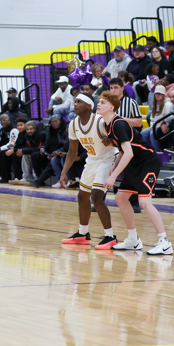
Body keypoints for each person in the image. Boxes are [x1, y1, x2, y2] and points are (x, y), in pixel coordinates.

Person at [97, 91, 173, 255]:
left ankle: (164, 242)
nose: (98, 104)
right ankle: (133, 239)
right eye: (99, 101)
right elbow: (123, 150)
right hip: (134, 163)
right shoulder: (107, 125)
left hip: (147, 162)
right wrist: (114, 166)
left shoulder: (118, 124)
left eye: (102, 102)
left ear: (111, 107)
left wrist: (114, 176)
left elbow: (129, 152)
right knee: (120, 198)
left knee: (144, 202)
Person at [58, 94, 119, 248]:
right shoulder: (73, 124)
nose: (75, 104)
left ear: (89, 106)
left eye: (79, 102)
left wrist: (112, 140)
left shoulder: (100, 121)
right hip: (92, 160)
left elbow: (121, 138)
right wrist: (64, 172)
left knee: (97, 196)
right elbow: (72, 151)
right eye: (75, 101)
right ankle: (83, 234)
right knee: (82, 197)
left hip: (108, 158)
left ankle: (110, 236)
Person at [34, 115, 68, 188]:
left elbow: (65, 146)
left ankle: (39, 181)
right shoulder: (49, 130)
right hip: (49, 153)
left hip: (59, 153)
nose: (54, 123)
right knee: (35, 155)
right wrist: (42, 148)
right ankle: (39, 178)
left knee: (53, 160)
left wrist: (56, 152)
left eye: (56, 121)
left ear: (60, 121)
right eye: (52, 122)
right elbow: (46, 142)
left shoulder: (65, 130)